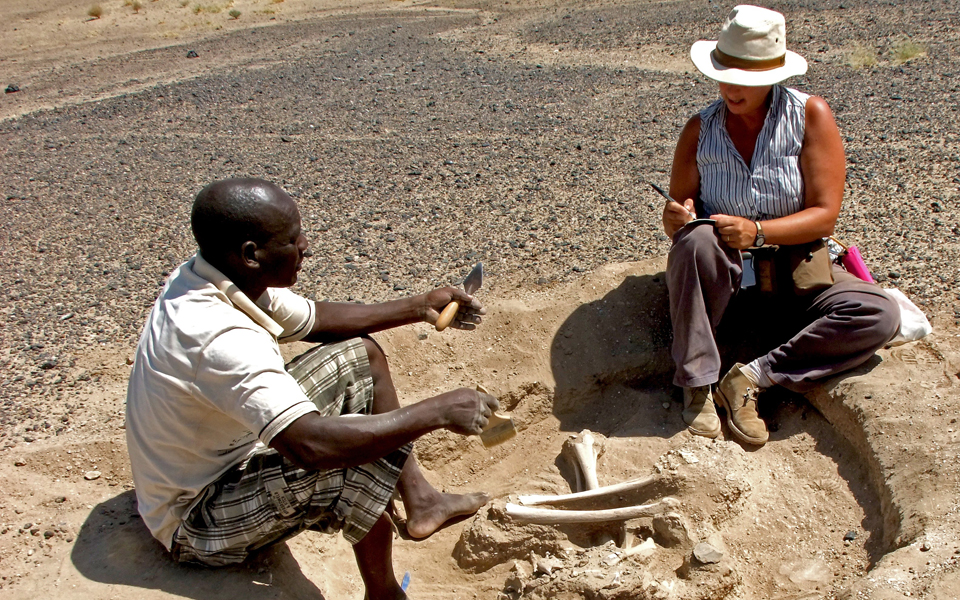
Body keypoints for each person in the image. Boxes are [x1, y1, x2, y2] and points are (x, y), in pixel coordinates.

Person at [125, 178, 498, 599]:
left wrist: (418, 307)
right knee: (351, 454)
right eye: (292, 239)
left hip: (220, 454)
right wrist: (439, 412)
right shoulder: (217, 336)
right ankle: (385, 593)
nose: (305, 245)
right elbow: (313, 448)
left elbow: (316, 319)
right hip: (197, 519)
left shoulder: (217, 276)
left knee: (362, 355)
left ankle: (422, 500)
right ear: (251, 254)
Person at [662, 5, 900, 446]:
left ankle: (751, 378)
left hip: (795, 275)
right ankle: (696, 384)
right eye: (726, 73)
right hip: (726, 283)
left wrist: (760, 230)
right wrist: (676, 217)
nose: (732, 87)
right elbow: (677, 214)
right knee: (695, 239)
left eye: (747, 78)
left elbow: (825, 214)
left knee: (879, 314)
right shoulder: (700, 129)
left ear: (773, 75)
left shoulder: (809, 115)